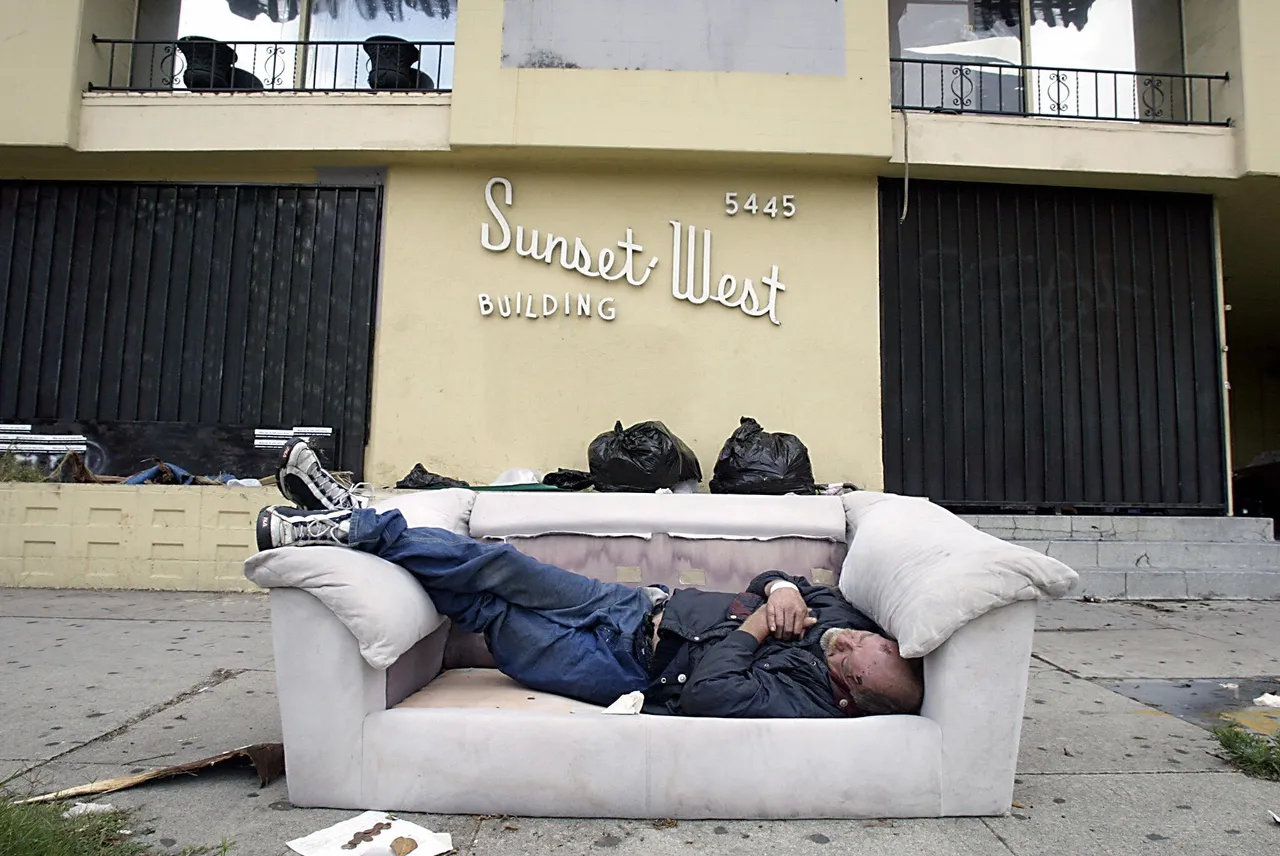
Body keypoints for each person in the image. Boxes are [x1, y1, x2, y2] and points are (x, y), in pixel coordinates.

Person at [256, 439, 924, 718]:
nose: (855, 652)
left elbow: (711, 694)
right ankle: (351, 524)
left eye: (858, 672)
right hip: (636, 605)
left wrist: (753, 623)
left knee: (496, 618)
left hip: (626, 669)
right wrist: (780, 589)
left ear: (849, 700)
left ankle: (342, 523)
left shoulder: (807, 704)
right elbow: (785, 575)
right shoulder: (847, 617)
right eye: (878, 648)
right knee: (501, 565)